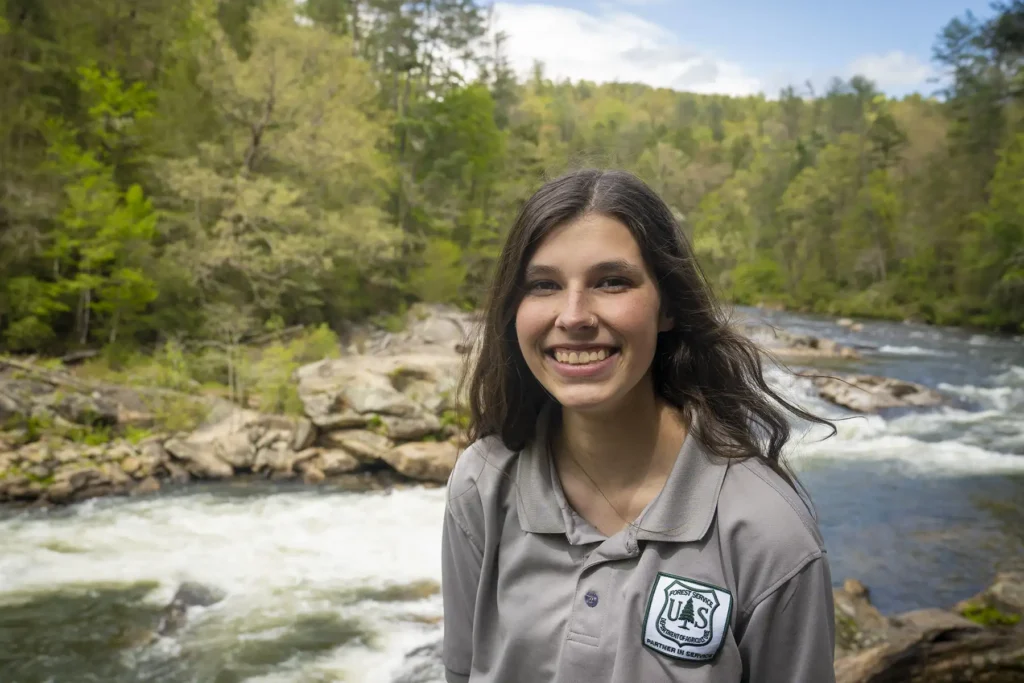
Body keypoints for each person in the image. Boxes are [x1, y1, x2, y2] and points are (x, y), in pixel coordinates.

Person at [441, 169, 837, 683]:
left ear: (667, 305)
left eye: (612, 281)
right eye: (544, 285)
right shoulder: (482, 485)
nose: (574, 315)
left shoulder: (766, 532)